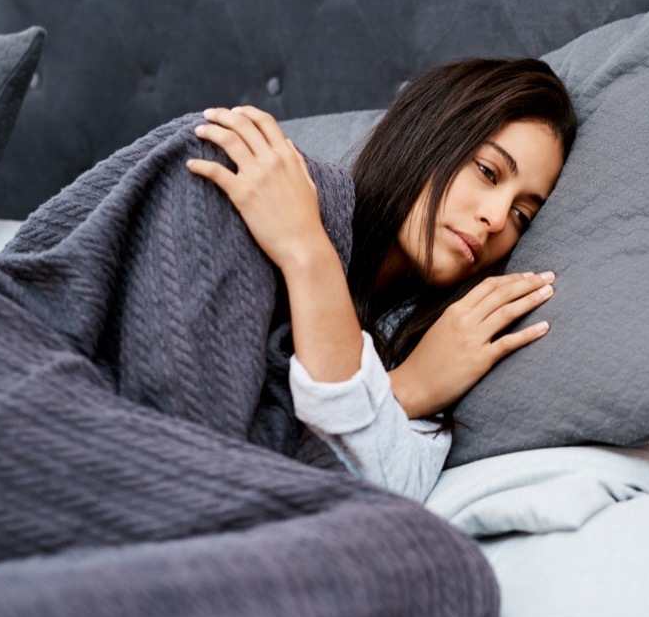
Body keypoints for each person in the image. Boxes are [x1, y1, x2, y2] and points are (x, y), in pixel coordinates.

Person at [186, 58, 578, 502]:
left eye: (521, 216)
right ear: (427, 131)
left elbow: (386, 496)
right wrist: (307, 247)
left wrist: (411, 384)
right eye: (488, 172)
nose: (494, 218)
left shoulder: (438, 345)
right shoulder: (280, 188)